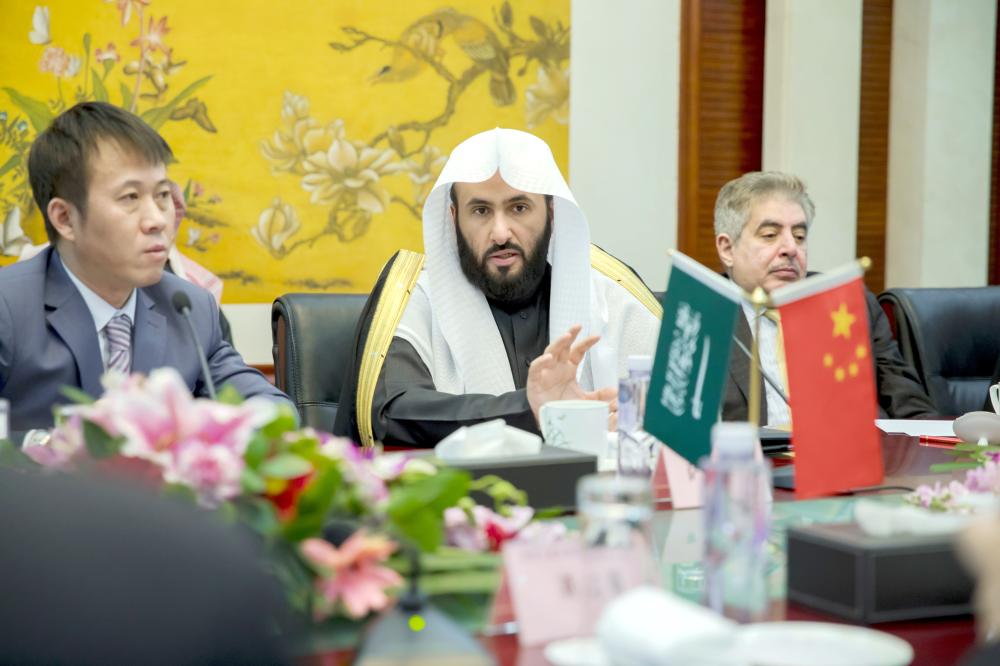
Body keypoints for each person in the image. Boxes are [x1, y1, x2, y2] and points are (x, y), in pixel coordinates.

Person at [335, 128, 662, 447]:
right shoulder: (414, 294)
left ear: (551, 213)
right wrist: (532, 410)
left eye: (519, 208)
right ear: (453, 218)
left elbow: (676, 403)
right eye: (481, 211)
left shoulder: (608, 291)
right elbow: (393, 412)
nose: (501, 232)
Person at [0, 101, 291, 435]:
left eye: (162, 195)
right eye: (130, 198)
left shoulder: (189, 307)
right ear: (65, 218)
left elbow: (271, 410)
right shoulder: (9, 308)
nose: (156, 220)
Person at [713, 171, 937, 424]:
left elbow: (910, 407)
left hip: (849, 457)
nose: (790, 249)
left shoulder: (846, 304)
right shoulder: (699, 315)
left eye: (799, 236)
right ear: (727, 248)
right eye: (769, 235)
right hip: (752, 462)